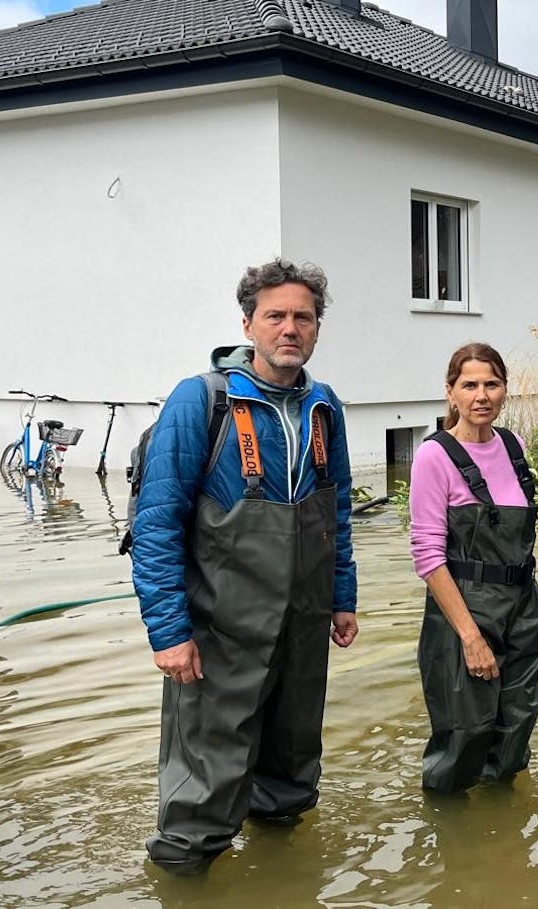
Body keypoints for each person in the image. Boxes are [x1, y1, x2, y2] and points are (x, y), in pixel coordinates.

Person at [131, 257, 358, 874]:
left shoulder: (324, 407)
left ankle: (281, 877)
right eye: (276, 315)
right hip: (218, 631)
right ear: (248, 323)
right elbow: (156, 523)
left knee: (289, 774)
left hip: (302, 627)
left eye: (303, 317)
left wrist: (343, 597)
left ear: (317, 328)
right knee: (202, 790)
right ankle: (182, 877)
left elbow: (336, 514)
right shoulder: (200, 400)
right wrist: (169, 632)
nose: (291, 328)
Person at [408, 342, 538, 794]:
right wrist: (470, 637)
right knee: (465, 733)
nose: (481, 395)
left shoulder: (514, 445)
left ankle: (500, 836)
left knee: (516, 724)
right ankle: (451, 836)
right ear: (451, 393)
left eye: (492, 384)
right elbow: (428, 557)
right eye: (469, 385)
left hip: (523, 610)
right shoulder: (435, 456)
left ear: (505, 390)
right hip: (464, 612)